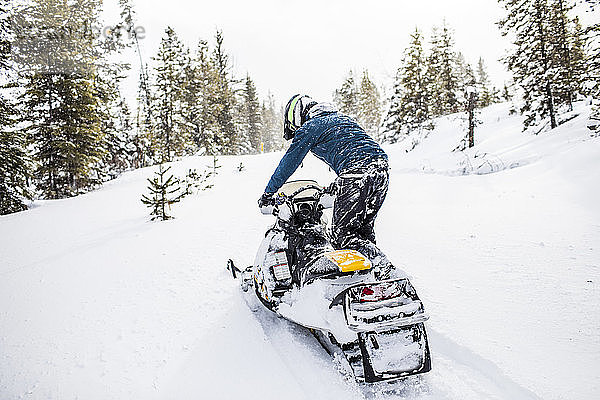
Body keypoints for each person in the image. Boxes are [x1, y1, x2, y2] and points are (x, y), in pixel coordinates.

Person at [258, 94, 396, 278]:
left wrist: (269, 193)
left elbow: (289, 162)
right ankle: (369, 282)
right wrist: (337, 186)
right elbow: (355, 151)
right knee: (362, 232)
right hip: (381, 171)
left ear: (297, 115)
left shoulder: (311, 127)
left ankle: (385, 269)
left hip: (356, 175)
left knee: (342, 235)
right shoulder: (342, 119)